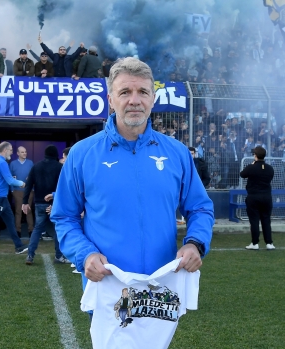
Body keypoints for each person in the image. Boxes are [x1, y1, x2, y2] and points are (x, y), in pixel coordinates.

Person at [51, 58, 213, 318]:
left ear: (153, 98)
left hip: (161, 293)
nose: (134, 100)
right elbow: (64, 216)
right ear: (110, 100)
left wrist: (195, 243)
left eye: (142, 92)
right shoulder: (82, 154)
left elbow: (200, 208)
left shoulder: (177, 153)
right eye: (125, 92)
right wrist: (85, 254)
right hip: (107, 290)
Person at [22, 145, 66, 265]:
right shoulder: (59, 167)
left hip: (39, 203)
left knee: (37, 229)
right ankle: (59, 256)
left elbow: (28, 184)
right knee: (57, 229)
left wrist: (25, 202)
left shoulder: (36, 166)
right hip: (54, 203)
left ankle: (30, 255)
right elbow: (64, 187)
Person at [241, 147, 275, 250]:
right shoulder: (270, 168)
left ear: (255, 155)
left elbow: (242, 174)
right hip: (267, 197)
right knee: (266, 220)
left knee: (254, 220)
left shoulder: (252, 167)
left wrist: (252, 165)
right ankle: (269, 243)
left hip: (253, 197)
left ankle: (255, 243)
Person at [9, 146, 34, 237]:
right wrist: (12, 190)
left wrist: (33, 188)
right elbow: (10, 177)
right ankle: (17, 231)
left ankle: (31, 231)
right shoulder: (13, 164)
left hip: (29, 191)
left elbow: (34, 175)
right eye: (22, 152)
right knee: (18, 211)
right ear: (18, 153)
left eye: (25, 152)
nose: (25, 153)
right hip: (17, 191)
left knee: (28, 210)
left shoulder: (30, 163)